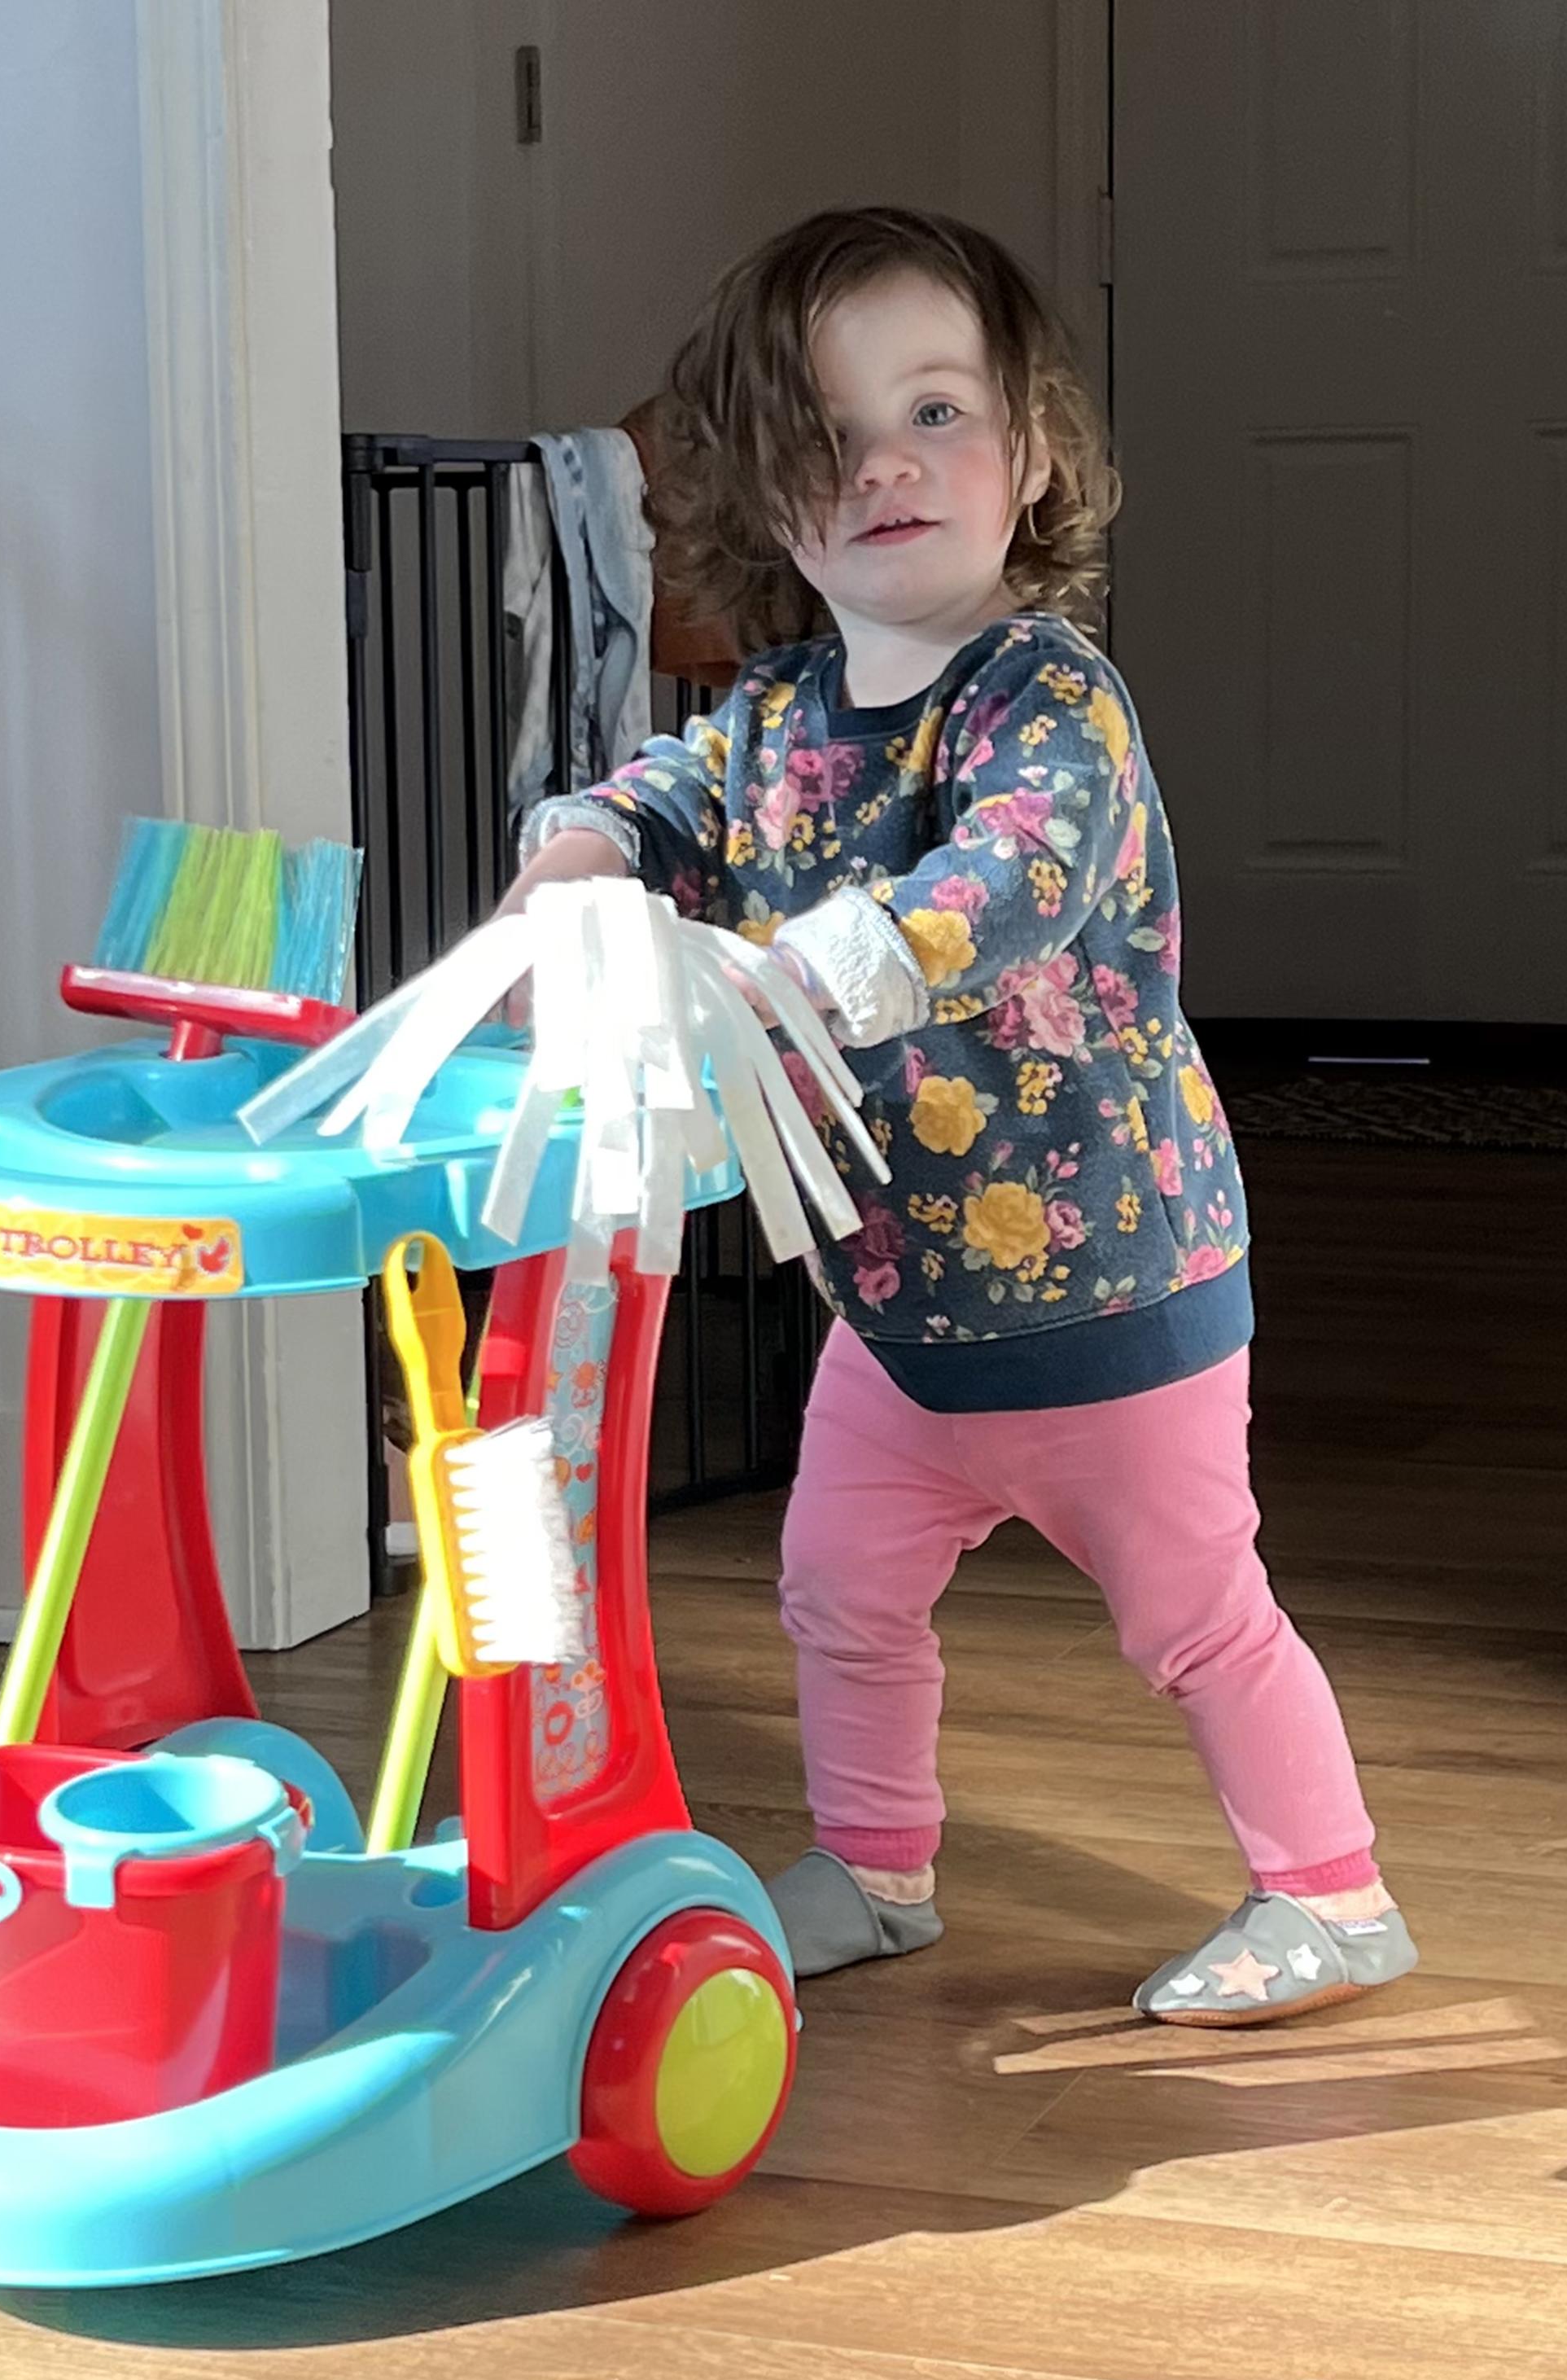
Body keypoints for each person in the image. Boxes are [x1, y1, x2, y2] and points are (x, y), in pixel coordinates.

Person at [500, 207, 1412, 2025]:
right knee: (838, 1591)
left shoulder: (1047, 699)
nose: (886, 466)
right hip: (899, 1315)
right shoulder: (774, 720)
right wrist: (580, 857)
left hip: (1114, 1302)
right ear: (764, 495)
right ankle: (874, 1867)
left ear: (1034, 451)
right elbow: (665, 794)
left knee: (1194, 1618)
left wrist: (824, 963)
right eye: (830, 435)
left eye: (935, 412)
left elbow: (1016, 873)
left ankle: (1335, 1899)